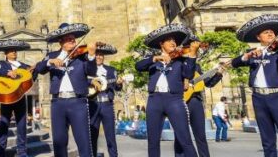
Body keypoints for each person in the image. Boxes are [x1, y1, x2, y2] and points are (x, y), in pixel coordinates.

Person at [231, 13, 278, 157]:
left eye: (272, 32)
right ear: (259, 37)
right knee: (267, 140)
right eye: (265, 32)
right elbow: (234, 63)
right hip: (258, 97)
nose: (270, 33)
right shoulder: (253, 52)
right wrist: (247, 56)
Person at [34, 23, 100, 157]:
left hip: (78, 102)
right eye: (69, 38)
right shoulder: (52, 55)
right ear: (61, 41)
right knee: (59, 141)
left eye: (73, 38)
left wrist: (92, 56)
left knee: (83, 141)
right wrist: (50, 62)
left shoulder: (82, 55)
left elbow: (91, 71)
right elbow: (39, 69)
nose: (73, 40)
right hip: (58, 102)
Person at [135, 23, 199, 157]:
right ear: (161, 44)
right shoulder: (153, 61)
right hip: (154, 100)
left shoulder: (181, 60)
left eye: (174, 40)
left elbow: (189, 75)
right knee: (153, 141)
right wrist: (154, 58)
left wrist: (193, 55)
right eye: (169, 40)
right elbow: (138, 66)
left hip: (174, 99)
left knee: (185, 139)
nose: (173, 42)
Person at [174, 34, 221, 157]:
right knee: (180, 136)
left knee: (201, 136)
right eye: (191, 47)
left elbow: (208, 83)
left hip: (196, 100)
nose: (196, 49)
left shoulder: (197, 65)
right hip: (180, 101)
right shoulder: (176, 62)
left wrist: (219, 73)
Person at [0, 39, 37, 157]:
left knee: (21, 124)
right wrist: (8, 73)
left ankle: (22, 151)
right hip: (7, 97)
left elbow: (31, 78)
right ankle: (1, 150)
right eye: (11, 51)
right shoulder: (1, 63)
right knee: (4, 123)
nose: (14, 53)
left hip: (20, 97)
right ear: (6, 54)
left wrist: (34, 70)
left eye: (15, 51)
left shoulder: (23, 66)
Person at [89, 43, 123, 157]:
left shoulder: (111, 70)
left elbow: (117, 88)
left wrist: (119, 83)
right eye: (97, 55)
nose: (99, 57)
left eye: (101, 55)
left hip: (107, 104)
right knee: (92, 136)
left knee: (111, 136)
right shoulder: (88, 70)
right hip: (92, 104)